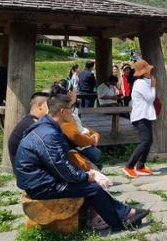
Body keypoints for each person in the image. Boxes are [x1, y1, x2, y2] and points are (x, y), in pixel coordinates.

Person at [14, 94, 148, 232]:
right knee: (92, 188)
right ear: (62, 111)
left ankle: (124, 213)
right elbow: (60, 166)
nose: (72, 113)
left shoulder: (47, 126)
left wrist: (83, 174)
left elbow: (59, 162)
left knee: (90, 183)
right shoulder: (49, 133)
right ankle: (118, 224)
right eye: (70, 109)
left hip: (42, 179)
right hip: (40, 186)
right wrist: (83, 176)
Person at [123, 59, 157, 178]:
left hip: (145, 115)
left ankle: (140, 166)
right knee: (146, 141)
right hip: (140, 116)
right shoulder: (139, 83)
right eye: (148, 70)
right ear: (144, 72)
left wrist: (151, 83)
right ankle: (129, 166)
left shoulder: (144, 81)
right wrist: (153, 86)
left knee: (149, 141)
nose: (150, 71)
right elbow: (150, 98)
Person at [8, 92, 49, 164]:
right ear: (39, 105)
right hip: (28, 171)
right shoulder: (31, 126)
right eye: (50, 106)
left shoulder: (29, 121)